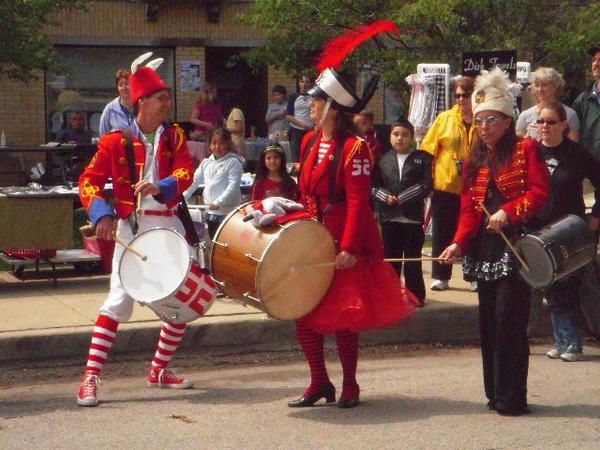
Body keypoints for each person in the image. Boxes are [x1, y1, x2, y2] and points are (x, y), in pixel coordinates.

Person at [290, 56, 417, 408]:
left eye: (315, 101)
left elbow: (360, 202)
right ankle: (318, 381)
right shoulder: (308, 143)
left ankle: (350, 384)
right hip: (311, 241)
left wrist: (347, 248)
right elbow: (303, 193)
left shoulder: (355, 148)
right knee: (302, 312)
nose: (310, 105)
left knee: (344, 316)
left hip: (343, 242)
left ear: (331, 107)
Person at [76, 53, 196, 407]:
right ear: (143, 101)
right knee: (117, 302)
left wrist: (162, 186)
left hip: (169, 226)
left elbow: (186, 172)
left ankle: (159, 369)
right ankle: (90, 378)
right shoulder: (116, 141)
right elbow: (89, 181)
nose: (168, 103)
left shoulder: (174, 136)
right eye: (162, 98)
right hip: (132, 230)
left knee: (182, 302)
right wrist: (101, 216)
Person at [439, 68, 550, 416]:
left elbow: (539, 192)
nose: (484, 127)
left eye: (491, 120)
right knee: (488, 323)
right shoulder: (475, 160)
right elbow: (469, 210)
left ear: (506, 120)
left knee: (509, 322)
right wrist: (458, 243)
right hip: (485, 250)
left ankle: (513, 396)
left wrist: (509, 211)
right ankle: (495, 393)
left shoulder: (526, 149)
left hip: (516, 246)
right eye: (480, 121)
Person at [533, 102, 600, 362]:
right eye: (541, 122)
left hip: (569, 230)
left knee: (568, 286)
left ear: (564, 125)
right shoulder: (532, 153)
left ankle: (572, 342)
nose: (545, 127)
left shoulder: (578, 154)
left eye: (551, 122)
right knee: (549, 287)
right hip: (538, 230)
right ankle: (561, 340)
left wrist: (595, 218)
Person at [421, 76, 476, 291]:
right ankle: (441, 275)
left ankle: (472, 275)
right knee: (443, 232)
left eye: (466, 95)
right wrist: (426, 181)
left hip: (474, 187)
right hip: (445, 185)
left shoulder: (482, 119)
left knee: (471, 231)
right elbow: (428, 150)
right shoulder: (444, 119)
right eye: (458, 95)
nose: (461, 99)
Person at [372, 119, 433, 306]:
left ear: (412, 138)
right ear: (390, 137)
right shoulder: (381, 159)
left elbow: (425, 185)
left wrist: (402, 197)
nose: (400, 138)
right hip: (389, 218)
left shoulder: (422, 159)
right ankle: (391, 297)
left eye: (405, 135)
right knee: (392, 260)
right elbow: (373, 186)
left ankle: (415, 296)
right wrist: (386, 197)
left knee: (413, 260)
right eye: (396, 134)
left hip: (412, 218)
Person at [184, 127, 243, 238]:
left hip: (227, 212)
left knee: (227, 242)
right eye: (214, 143)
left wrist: (218, 202)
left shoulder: (234, 162)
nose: (217, 147)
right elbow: (194, 181)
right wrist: (184, 196)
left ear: (229, 144)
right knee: (213, 240)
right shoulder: (206, 162)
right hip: (210, 211)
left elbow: (233, 186)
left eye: (221, 143)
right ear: (210, 145)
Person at [516, 67, 580, 142]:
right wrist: (528, 137)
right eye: (537, 85)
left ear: (555, 86)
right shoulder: (525, 116)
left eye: (544, 85)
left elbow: (574, 146)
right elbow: (518, 149)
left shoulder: (569, 114)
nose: (540, 89)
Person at [573, 46, 600, 161]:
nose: (595, 64)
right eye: (594, 60)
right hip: (591, 168)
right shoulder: (582, 100)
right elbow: (573, 136)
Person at [98, 69, 135, 135]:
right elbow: (103, 136)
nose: (124, 88)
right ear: (117, 87)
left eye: (127, 84)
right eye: (120, 85)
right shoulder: (110, 109)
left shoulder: (140, 106)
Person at [286, 75, 314, 162]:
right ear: (299, 84)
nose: (304, 84)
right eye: (302, 82)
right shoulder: (294, 97)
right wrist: (303, 125)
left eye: (307, 82)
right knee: (296, 159)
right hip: (296, 132)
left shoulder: (314, 97)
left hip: (310, 132)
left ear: (310, 84)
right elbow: (288, 116)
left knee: (309, 158)